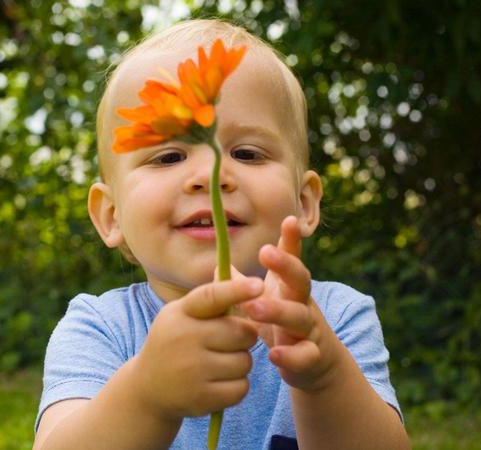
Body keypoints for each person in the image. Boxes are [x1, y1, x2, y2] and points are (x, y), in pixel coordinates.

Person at [33, 19, 410, 450]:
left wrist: (323, 377)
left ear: (304, 202)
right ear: (111, 216)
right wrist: (146, 395)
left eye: (247, 153)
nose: (210, 174)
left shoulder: (336, 319)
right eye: (169, 155)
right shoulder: (101, 329)